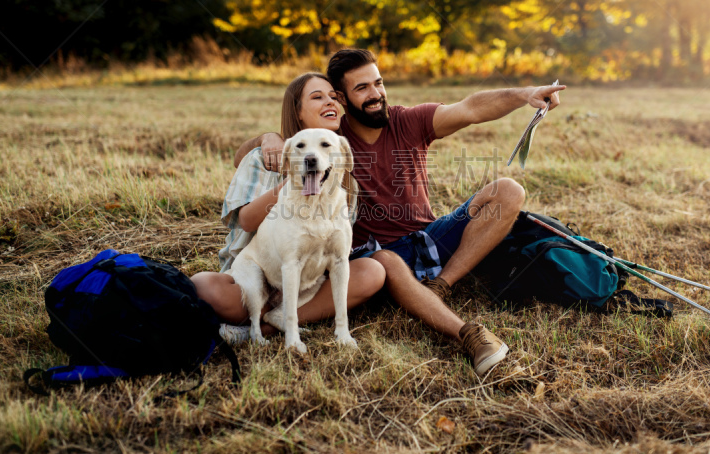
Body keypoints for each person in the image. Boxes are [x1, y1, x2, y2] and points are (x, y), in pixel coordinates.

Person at [236, 49, 565, 376]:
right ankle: (469, 336)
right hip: (375, 257)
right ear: (343, 100)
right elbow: (243, 157)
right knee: (387, 262)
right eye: (362, 88)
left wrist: (526, 94)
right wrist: (269, 138)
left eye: (378, 83)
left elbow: (471, 108)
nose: (376, 94)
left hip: (428, 238)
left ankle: (439, 286)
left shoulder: (409, 120)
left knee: (508, 190)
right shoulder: (331, 139)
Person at [191, 73, 386, 343]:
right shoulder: (265, 155)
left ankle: (268, 324)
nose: (329, 102)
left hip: (306, 282)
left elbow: (333, 252)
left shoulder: (344, 178)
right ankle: (264, 315)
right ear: (298, 112)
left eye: (333, 96)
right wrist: (292, 180)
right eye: (317, 97)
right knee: (204, 287)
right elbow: (246, 221)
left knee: (372, 272)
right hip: (252, 275)